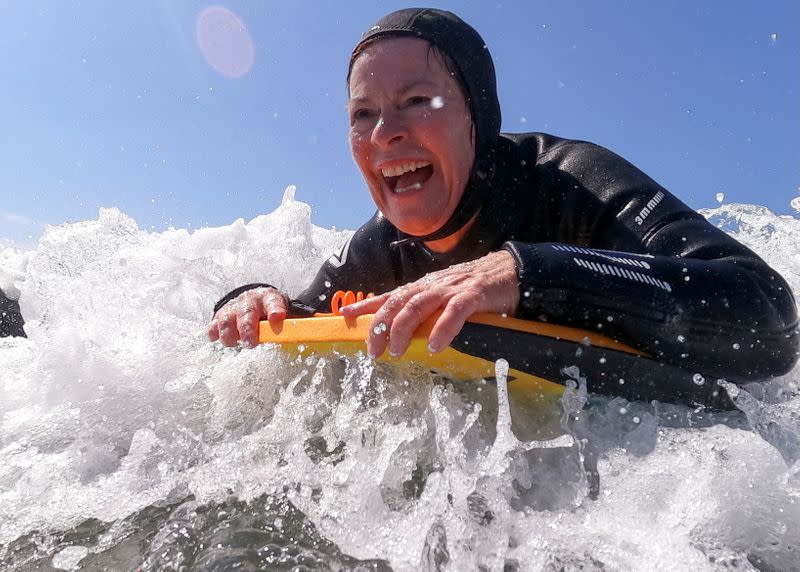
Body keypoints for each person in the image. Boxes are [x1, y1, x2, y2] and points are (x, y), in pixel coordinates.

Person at [208, 8, 798, 396]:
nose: (385, 130)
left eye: (417, 100)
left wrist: (525, 273)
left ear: (477, 116)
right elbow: (309, 319)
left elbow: (770, 321)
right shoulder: (381, 248)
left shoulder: (571, 182)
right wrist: (250, 301)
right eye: (364, 114)